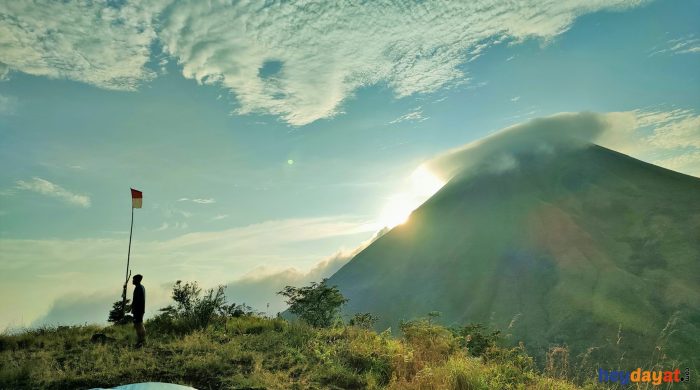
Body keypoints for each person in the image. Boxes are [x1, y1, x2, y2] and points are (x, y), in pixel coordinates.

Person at [131, 274, 146, 347]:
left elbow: (136, 300)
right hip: (140, 309)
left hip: (138, 310)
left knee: (138, 325)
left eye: (133, 279)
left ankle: (140, 341)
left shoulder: (138, 288)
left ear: (137, 280)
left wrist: (133, 308)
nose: (132, 281)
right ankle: (141, 341)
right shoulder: (141, 287)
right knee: (140, 324)